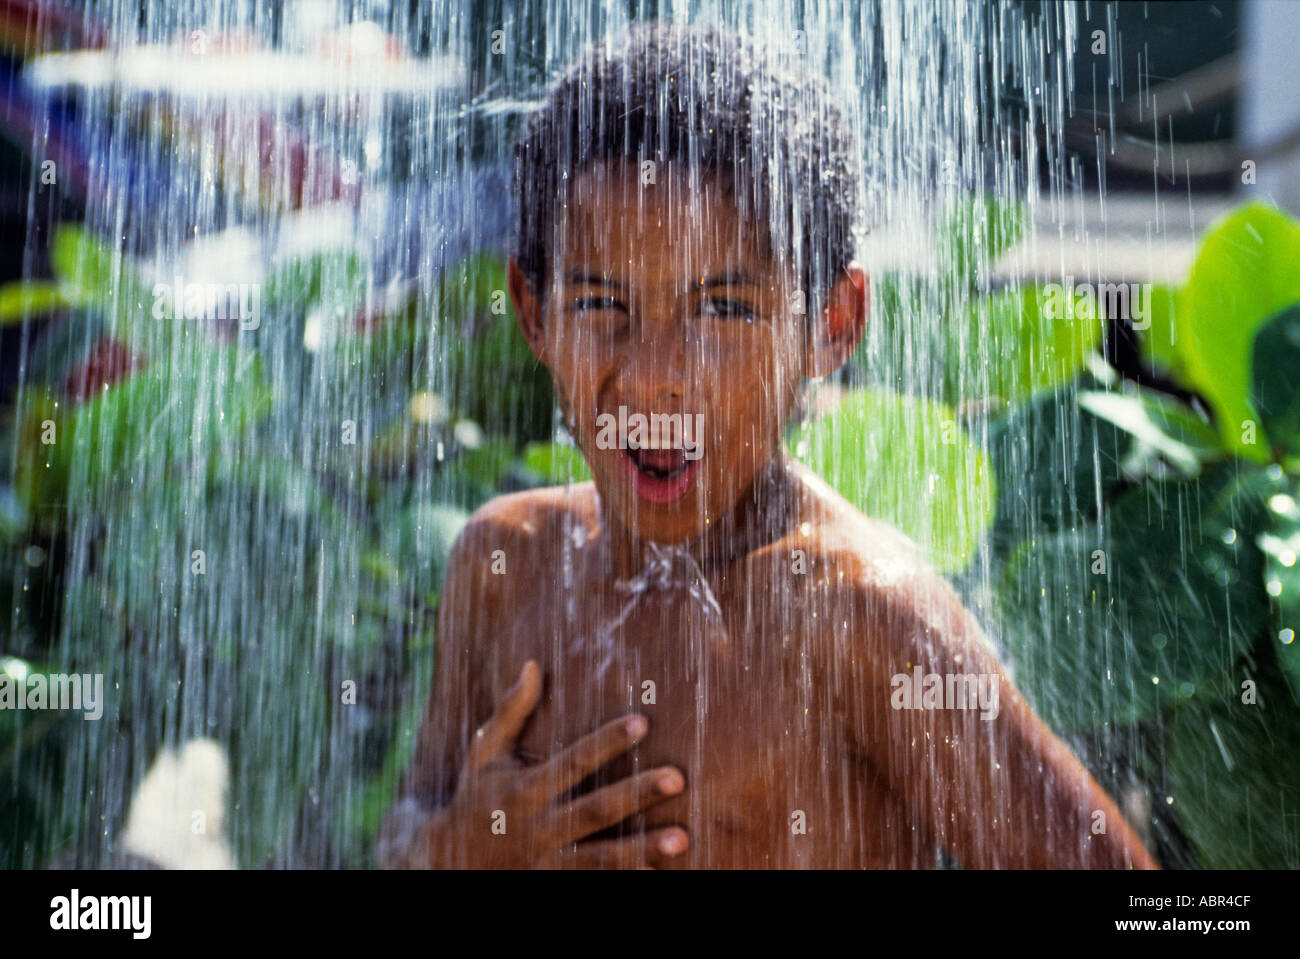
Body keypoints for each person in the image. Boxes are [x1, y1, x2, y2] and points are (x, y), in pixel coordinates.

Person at [379, 21, 1156, 869]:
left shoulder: (858, 616)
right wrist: (456, 843)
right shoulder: (503, 567)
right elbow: (406, 827)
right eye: (602, 304)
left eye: (724, 309)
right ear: (531, 311)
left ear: (832, 324)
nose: (656, 378)